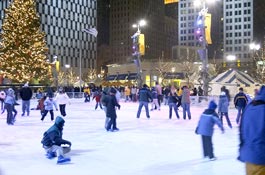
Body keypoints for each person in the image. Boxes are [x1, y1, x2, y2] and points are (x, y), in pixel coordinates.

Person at [238, 85, 265, 175]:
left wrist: (242, 149)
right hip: (262, 159)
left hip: (249, 157)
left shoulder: (249, 107)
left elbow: (241, 131)